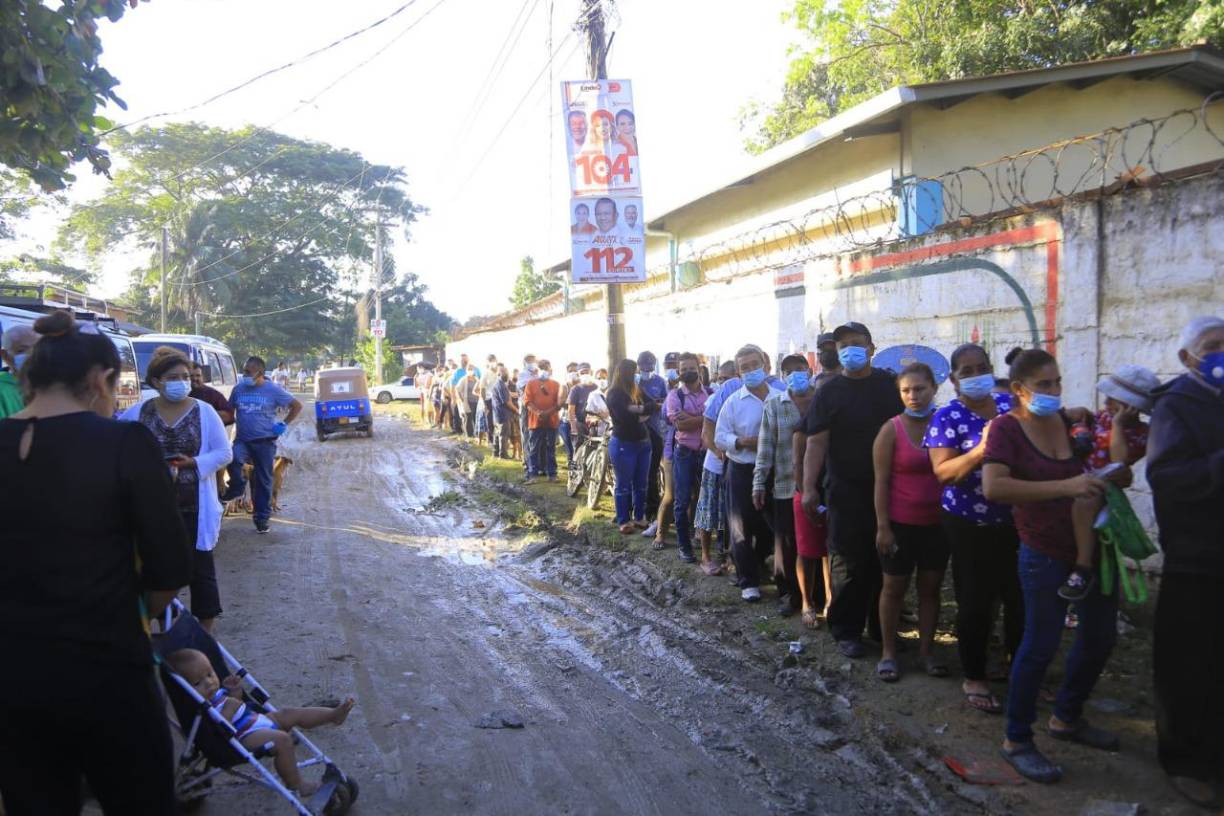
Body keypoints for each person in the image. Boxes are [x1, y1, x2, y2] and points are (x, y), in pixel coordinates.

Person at [0, 310, 192, 814]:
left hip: (12, 681)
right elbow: (169, 566)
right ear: (100, 379)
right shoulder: (124, 442)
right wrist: (138, 615)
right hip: (108, 670)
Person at [984, 347, 1127, 784]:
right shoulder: (1006, 429)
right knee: (1040, 644)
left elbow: (1104, 458)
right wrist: (1064, 485)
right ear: (1018, 389)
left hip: (1093, 547)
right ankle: (1016, 739)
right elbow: (994, 487)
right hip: (1043, 552)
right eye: (1043, 385)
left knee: (1100, 635)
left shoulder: (1066, 421)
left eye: (1057, 382)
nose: (1053, 391)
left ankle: (1067, 717)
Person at [1148, 315, 1224, 809]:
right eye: (1213, 347)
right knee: (1187, 666)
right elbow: (1168, 476)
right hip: (1195, 557)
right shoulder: (1176, 405)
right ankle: (1183, 760)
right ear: (1187, 358)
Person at [925, 343, 1021, 715]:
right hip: (968, 522)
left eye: (982, 367)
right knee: (976, 600)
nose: (976, 374)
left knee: (1018, 598)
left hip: (1015, 519)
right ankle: (975, 674)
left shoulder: (1009, 407)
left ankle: (1017, 668)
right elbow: (943, 472)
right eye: (967, 370)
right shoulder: (947, 416)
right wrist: (981, 449)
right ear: (953, 379)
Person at [801, 322, 903, 657]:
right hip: (844, 489)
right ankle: (847, 630)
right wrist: (809, 488)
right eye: (843, 345)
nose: (849, 350)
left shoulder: (890, 386)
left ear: (872, 348)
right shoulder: (828, 392)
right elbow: (815, 443)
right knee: (847, 560)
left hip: (890, 488)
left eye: (857, 343)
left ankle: (882, 625)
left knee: (885, 559)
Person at [122, 347, 232, 633]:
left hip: (194, 507)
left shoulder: (205, 412)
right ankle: (161, 631)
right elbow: (121, 454)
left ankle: (205, 634)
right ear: (156, 382)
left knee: (201, 571)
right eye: (173, 377)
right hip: (151, 510)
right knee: (156, 571)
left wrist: (194, 463)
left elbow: (224, 453)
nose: (182, 382)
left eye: (185, 376)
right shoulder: (136, 415)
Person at [166, 649, 355, 797]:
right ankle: (297, 784)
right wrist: (230, 708)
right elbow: (220, 727)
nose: (209, 683)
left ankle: (333, 715)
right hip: (243, 736)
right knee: (282, 740)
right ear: (186, 690)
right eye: (198, 682)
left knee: (289, 713)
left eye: (210, 674)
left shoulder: (215, 693)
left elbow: (238, 703)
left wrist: (234, 691)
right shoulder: (200, 707)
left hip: (255, 720)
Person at [871, 362, 949, 682]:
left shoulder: (945, 423)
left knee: (930, 589)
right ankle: (889, 652)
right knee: (893, 588)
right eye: (906, 390)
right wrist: (883, 526)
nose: (913, 395)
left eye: (919, 389)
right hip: (900, 525)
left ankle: (927, 652)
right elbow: (880, 481)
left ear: (934, 388)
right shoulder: (891, 429)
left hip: (938, 525)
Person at [1059, 363, 1159, 601]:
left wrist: (1117, 425)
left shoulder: (1141, 434)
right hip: (1075, 479)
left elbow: (1118, 462)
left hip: (1100, 489)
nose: (1106, 404)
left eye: (1114, 400)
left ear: (1132, 407)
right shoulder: (1102, 417)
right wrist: (1077, 416)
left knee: (1087, 499)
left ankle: (1082, 567)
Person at [753, 354, 816, 619]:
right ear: (782, 375)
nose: (795, 375)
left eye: (800, 369)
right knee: (786, 543)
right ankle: (789, 594)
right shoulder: (775, 404)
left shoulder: (822, 399)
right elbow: (765, 446)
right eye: (788, 371)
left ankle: (818, 597)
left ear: (809, 370)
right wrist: (758, 481)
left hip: (819, 484)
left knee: (817, 545)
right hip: (785, 486)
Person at [716, 345, 778, 603]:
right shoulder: (733, 402)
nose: (751, 371)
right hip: (742, 468)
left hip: (774, 469)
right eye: (745, 368)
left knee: (772, 525)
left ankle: (762, 562)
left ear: (765, 364)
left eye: (755, 364)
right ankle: (748, 581)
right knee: (740, 526)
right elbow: (720, 437)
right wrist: (742, 442)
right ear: (738, 373)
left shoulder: (780, 397)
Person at [221, 356, 302, 534]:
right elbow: (229, 411)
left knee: (263, 481)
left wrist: (284, 423)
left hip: (265, 442)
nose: (245, 375)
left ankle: (261, 518)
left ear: (260, 373)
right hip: (242, 440)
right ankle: (237, 487)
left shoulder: (272, 390)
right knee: (233, 460)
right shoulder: (238, 389)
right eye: (244, 371)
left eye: (249, 372)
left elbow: (296, 406)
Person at [665, 352, 708, 563]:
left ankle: (707, 545)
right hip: (684, 453)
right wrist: (705, 418)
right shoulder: (675, 396)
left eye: (691, 368)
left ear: (699, 369)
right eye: (683, 370)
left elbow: (716, 419)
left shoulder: (711, 392)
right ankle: (684, 547)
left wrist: (693, 418)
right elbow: (680, 424)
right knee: (682, 500)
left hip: (707, 453)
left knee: (705, 499)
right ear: (678, 372)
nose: (688, 372)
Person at [606, 358, 655, 533]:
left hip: (643, 442)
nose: (635, 375)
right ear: (624, 373)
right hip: (624, 443)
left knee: (641, 483)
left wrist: (638, 410)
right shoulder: (614, 393)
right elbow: (624, 418)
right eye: (632, 372)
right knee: (624, 484)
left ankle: (639, 517)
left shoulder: (636, 389)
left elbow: (652, 404)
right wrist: (641, 412)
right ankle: (623, 520)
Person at [645, 351, 681, 544]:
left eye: (675, 365)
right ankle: (658, 529)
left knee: (688, 494)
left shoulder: (676, 388)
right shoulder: (671, 392)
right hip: (664, 442)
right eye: (670, 365)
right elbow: (668, 419)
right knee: (668, 492)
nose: (672, 369)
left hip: (684, 447)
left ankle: (684, 529)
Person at [637, 351, 669, 526]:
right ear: (638, 365)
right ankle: (636, 508)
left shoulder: (660, 382)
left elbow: (667, 403)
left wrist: (656, 405)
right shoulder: (635, 381)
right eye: (643, 364)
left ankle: (652, 508)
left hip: (656, 431)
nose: (646, 368)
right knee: (638, 472)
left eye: (650, 364)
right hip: (637, 431)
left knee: (652, 472)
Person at [523, 359, 561, 482]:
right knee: (533, 448)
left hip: (552, 421)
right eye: (541, 367)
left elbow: (559, 403)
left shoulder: (556, 384)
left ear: (550, 369)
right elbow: (527, 402)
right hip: (535, 422)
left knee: (551, 449)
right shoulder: (530, 383)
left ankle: (552, 474)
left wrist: (548, 413)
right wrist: (539, 413)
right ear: (536, 370)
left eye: (546, 367)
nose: (544, 370)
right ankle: (532, 475)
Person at [0, 323, 37, 419]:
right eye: (21, 350)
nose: (31, 356)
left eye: (37, 349)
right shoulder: (2, 390)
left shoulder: (52, 386)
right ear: (5, 356)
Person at [517, 354, 538, 470]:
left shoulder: (537, 374)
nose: (532, 363)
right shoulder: (523, 374)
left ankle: (536, 462)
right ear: (525, 362)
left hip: (537, 407)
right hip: (526, 407)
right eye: (530, 361)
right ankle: (527, 462)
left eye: (534, 361)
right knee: (526, 434)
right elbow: (524, 388)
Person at [456, 363, 480, 439]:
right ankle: (469, 435)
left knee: (476, 417)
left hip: (476, 401)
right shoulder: (463, 379)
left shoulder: (476, 379)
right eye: (469, 369)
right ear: (466, 370)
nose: (470, 371)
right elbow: (458, 389)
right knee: (468, 418)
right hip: (467, 401)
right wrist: (462, 399)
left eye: (472, 369)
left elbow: (480, 388)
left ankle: (476, 433)